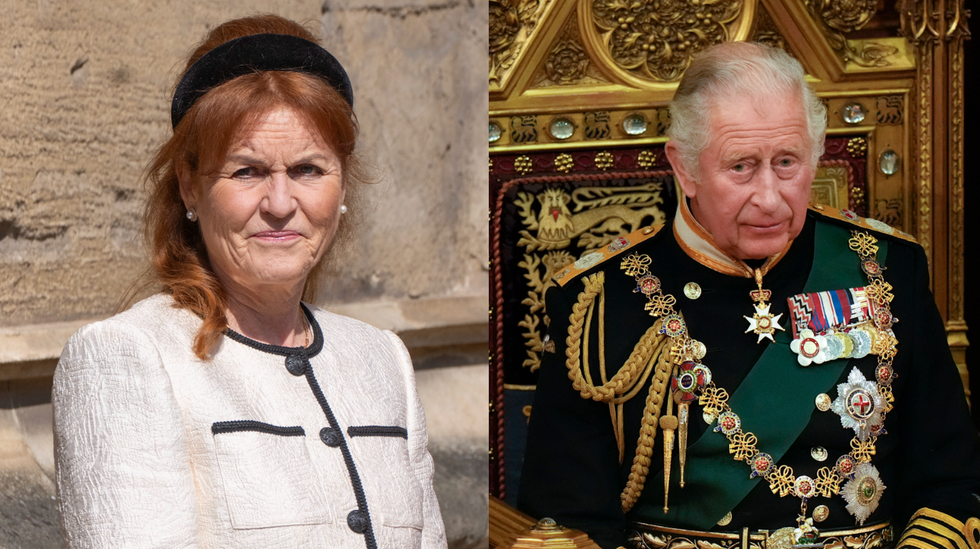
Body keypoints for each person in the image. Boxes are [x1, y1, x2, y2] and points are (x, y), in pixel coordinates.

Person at [518, 42, 980, 549]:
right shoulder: (599, 299)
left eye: (787, 162)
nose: (768, 197)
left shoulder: (887, 267)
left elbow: (949, 478)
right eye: (741, 167)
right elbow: (568, 520)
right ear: (685, 167)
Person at [52, 15, 446, 549]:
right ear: (191, 187)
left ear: (343, 181)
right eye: (247, 172)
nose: (281, 205)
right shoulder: (128, 357)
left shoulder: (383, 361)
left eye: (308, 169)